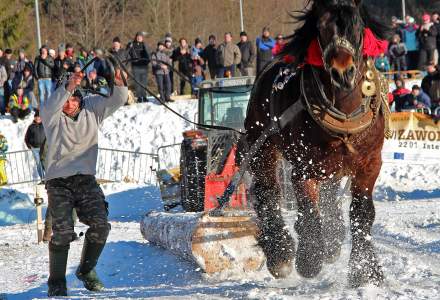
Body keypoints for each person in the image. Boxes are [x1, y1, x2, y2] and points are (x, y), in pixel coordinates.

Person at [41, 69, 127, 296]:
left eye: (74, 98)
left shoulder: (92, 108)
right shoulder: (53, 116)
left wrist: (119, 83)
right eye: (66, 99)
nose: (70, 103)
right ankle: (57, 281)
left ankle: (86, 270)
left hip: (85, 178)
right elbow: (50, 105)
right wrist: (68, 86)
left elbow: (118, 99)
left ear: (81, 97)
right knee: (63, 231)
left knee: (101, 225)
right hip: (58, 181)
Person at [127, 31, 151, 102]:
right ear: (136, 37)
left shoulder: (145, 45)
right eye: (138, 36)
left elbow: (148, 54)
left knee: (144, 83)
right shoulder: (132, 45)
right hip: (135, 66)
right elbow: (127, 53)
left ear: (142, 38)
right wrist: (129, 47)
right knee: (137, 83)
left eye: (140, 37)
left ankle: (144, 96)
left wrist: (147, 62)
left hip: (144, 66)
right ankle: (139, 97)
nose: (139, 38)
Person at [24, 111, 46, 179]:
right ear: (34, 118)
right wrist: (30, 146)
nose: (37, 118)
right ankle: (43, 179)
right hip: (35, 149)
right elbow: (26, 137)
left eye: (39, 117)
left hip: (44, 148)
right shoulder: (31, 127)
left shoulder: (45, 125)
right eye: (36, 117)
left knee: (45, 163)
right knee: (38, 164)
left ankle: (49, 178)